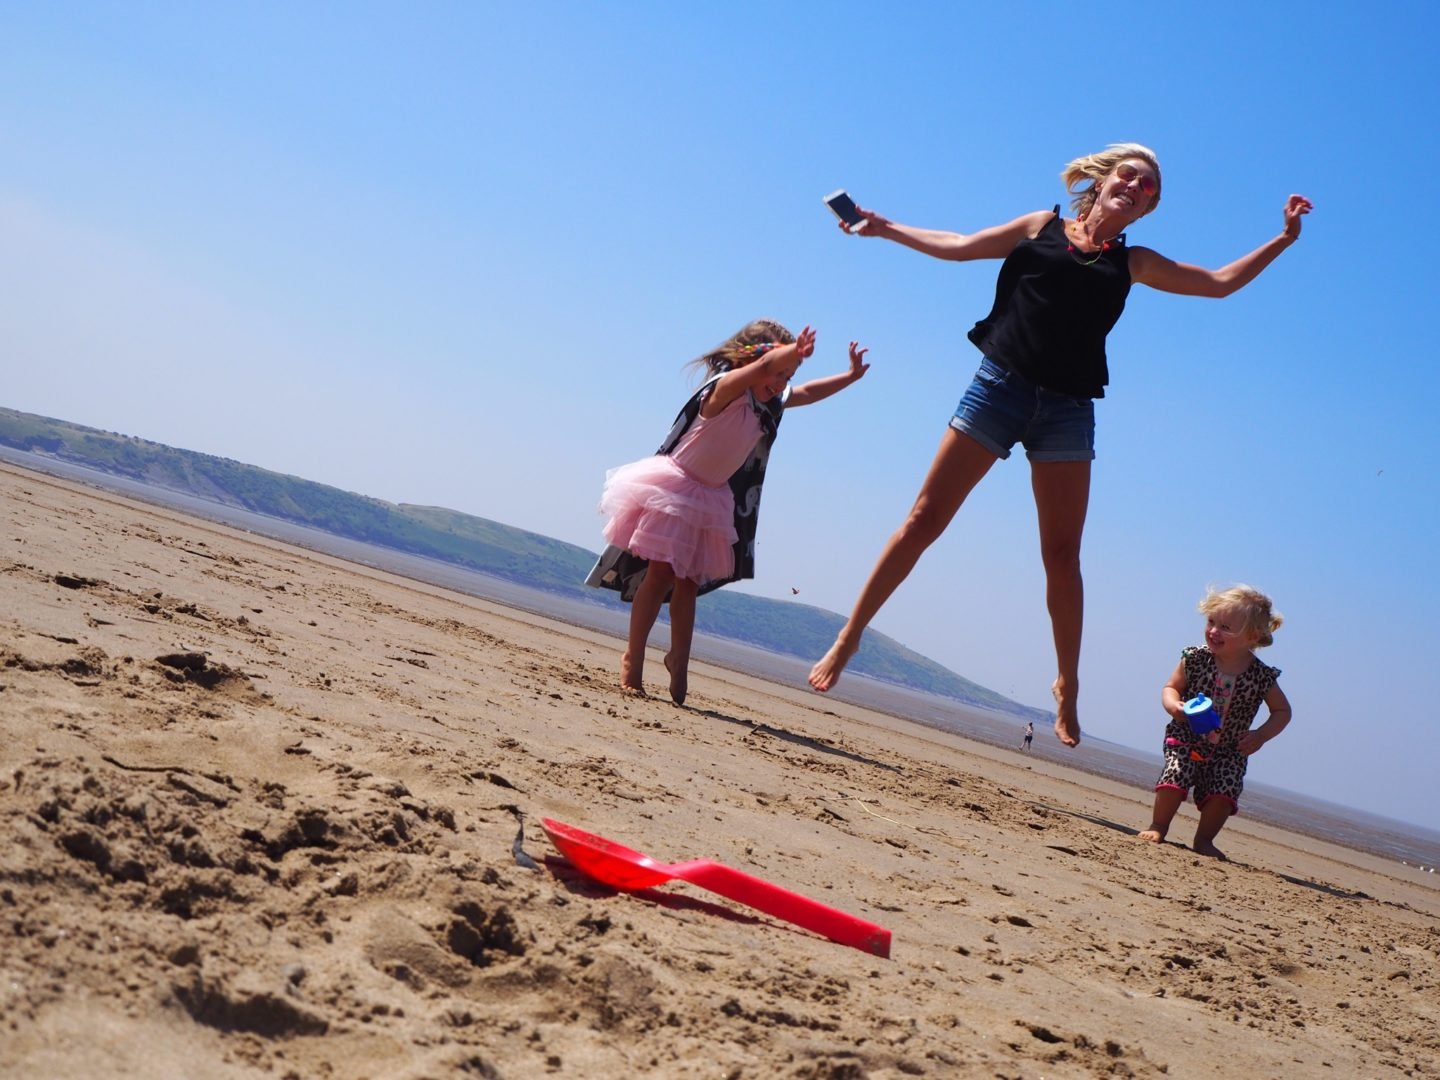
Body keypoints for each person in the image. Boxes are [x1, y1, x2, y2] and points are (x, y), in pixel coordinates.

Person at [807, 143, 1312, 749]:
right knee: (922, 519)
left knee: (1062, 556)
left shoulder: (1135, 263)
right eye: (1128, 174)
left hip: (1068, 411)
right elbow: (959, 244)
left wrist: (1282, 239)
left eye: (1148, 187)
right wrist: (885, 228)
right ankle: (850, 636)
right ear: (1100, 181)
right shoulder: (1039, 227)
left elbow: (1219, 284)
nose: (1135, 185)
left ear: (1146, 209)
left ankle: (1067, 684)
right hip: (999, 388)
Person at [588, 319, 870, 704]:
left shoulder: (766, 405)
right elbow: (760, 370)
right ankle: (632, 658)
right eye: (778, 372)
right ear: (751, 363)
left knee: (687, 583)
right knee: (659, 575)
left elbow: (804, 393)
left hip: (712, 499)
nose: (781, 382)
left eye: (788, 374)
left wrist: (850, 377)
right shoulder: (726, 390)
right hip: (675, 488)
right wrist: (789, 353)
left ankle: (679, 660)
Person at [1138, 585, 1293, 859]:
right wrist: (1174, 705)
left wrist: (1260, 735)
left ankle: (1204, 840)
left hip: (1230, 749)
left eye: (1225, 627)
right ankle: (1158, 825)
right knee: (1175, 777)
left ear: (1252, 636)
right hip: (1186, 735)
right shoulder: (1195, 658)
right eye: (1211, 621)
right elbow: (1171, 687)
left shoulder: (1261, 676)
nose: (1213, 631)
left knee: (1224, 793)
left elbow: (1282, 711)